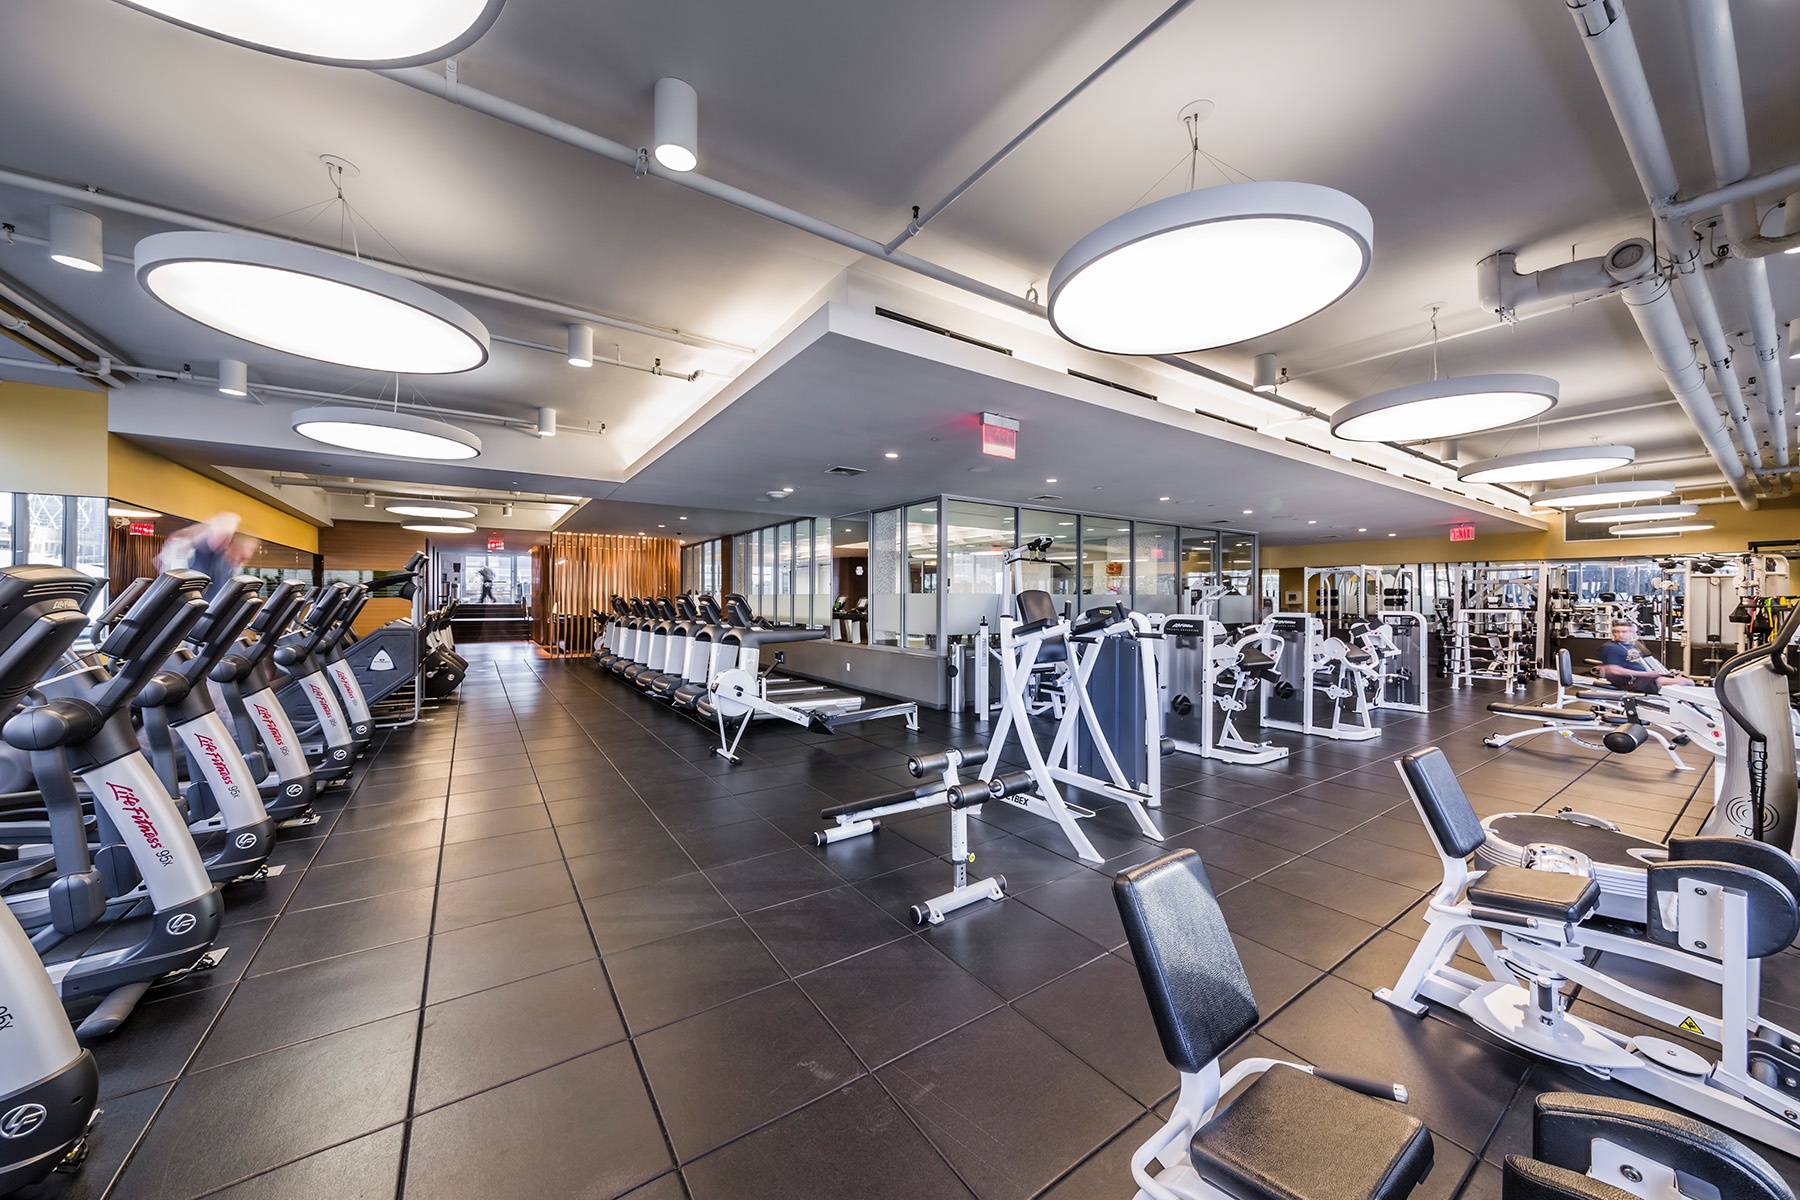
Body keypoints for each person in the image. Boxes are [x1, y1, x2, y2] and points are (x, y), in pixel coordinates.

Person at [160, 513, 256, 601]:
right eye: (242, 557)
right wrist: (190, 532)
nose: (242, 562)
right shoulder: (208, 555)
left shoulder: (231, 572)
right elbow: (229, 520)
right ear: (234, 545)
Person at [1596, 620, 1691, 693]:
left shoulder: (1631, 645)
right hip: (1632, 682)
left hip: (1644, 678)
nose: (1620, 634)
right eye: (1617, 632)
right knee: (1682, 683)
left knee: (1690, 682)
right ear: (1613, 633)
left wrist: (1653, 673)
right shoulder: (1610, 647)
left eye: (1624, 632)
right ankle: (1684, 710)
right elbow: (1614, 670)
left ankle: (1689, 709)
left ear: (1631, 633)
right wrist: (1646, 674)